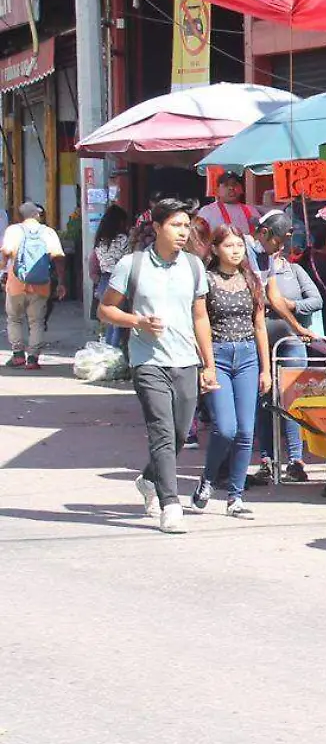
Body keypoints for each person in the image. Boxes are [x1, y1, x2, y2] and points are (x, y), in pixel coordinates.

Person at [98, 198, 214, 534]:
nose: (183, 232)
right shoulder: (132, 265)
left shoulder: (193, 266)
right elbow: (106, 310)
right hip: (148, 361)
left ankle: (149, 480)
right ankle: (171, 504)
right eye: (176, 225)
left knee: (179, 434)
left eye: (186, 225)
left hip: (187, 360)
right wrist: (137, 321)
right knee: (162, 431)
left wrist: (209, 365)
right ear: (158, 227)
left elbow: (200, 316)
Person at [192, 226, 271, 517]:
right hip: (219, 356)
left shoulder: (252, 279)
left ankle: (235, 496)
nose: (236, 250)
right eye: (229, 245)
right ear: (215, 249)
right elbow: (200, 322)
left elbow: (260, 325)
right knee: (225, 428)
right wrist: (207, 365)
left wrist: (266, 369)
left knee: (246, 431)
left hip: (248, 355)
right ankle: (208, 479)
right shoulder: (207, 280)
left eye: (239, 245)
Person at [253, 210, 324, 481]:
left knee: (293, 397)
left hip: (291, 341)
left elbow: (316, 300)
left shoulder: (294, 270)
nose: (280, 248)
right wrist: (276, 305)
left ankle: (296, 459)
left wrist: (290, 308)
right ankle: (267, 459)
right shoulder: (252, 261)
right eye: (278, 241)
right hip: (261, 339)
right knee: (264, 399)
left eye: (284, 244)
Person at [3, 201, 67, 369]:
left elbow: (5, 253)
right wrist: (61, 282)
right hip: (41, 284)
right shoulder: (48, 232)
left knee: (14, 319)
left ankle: (17, 354)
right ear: (37, 215)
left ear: (21, 216)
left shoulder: (13, 231)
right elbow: (58, 258)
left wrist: (3, 270)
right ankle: (32, 358)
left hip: (16, 283)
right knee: (36, 322)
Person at [91, 205, 133, 350]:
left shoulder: (100, 240)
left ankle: (107, 351)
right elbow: (128, 259)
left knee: (108, 321)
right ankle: (114, 352)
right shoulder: (123, 239)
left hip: (104, 279)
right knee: (118, 321)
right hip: (119, 280)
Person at [198, 172, 258, 238]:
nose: (231, 188)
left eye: (234, 184)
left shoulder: (251, 210)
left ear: (241, 189)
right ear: (218, 190)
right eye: (226, 185)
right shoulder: (207, 211)